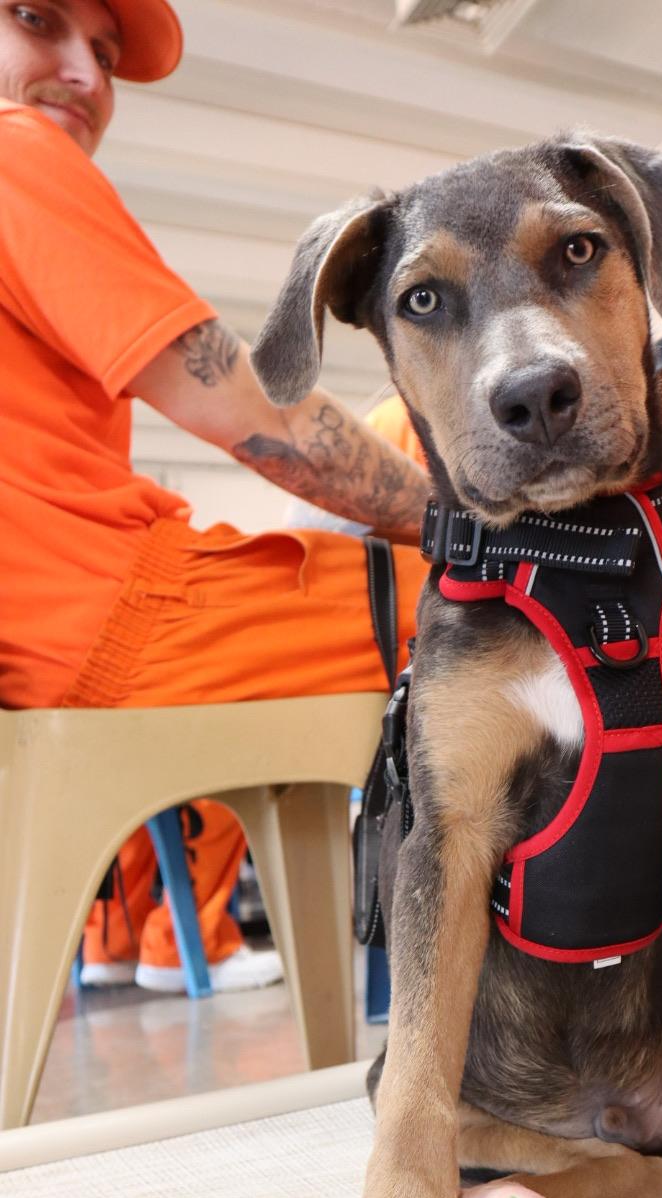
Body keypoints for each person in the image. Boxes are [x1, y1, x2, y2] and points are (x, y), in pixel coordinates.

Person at [0, 0, 432, 992]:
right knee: (550, 603)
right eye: (36, 21)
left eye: (105, 54)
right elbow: (248, 408)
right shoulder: (16, 148)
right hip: (122, 626)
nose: (86, 76)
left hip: (48, 656)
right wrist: (470, 527)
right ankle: (637, 1010)